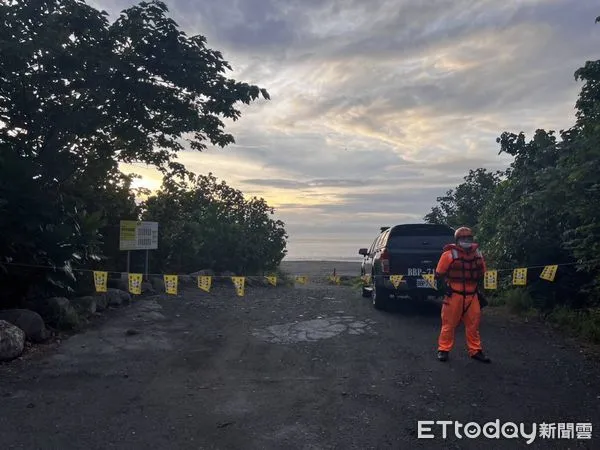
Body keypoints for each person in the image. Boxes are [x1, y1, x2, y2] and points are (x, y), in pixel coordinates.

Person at [434, 226, 491, 363]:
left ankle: (475, 350)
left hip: (472, 295)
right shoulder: (449, 254)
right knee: (448, 324)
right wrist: (444, 290)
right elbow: (439, 274)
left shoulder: (477, 253)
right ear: (457, 240)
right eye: (463, 238)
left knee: (474, 324)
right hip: (454, 294)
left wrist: (481, 291)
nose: (466, 240)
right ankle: (443, 349)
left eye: (469, 238)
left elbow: (482, 272)